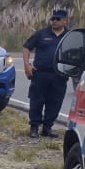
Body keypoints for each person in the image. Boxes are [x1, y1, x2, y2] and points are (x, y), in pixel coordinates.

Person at [22, 8, 70, 139]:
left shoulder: (70, 36)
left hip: (59, 75)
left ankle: (47, 128)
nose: (54, 21)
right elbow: (26, 47)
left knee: (55, 102)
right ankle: (34, 127)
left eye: (57, 19)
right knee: (36, 101)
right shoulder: (41, 34)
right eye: (52, 19)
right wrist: (27, 65)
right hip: (41, 74)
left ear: (65, 20)